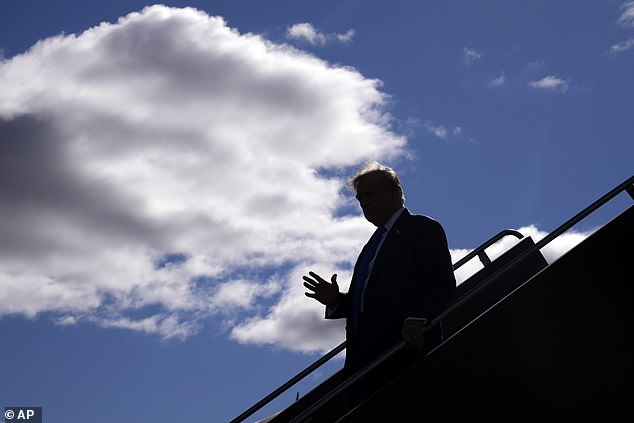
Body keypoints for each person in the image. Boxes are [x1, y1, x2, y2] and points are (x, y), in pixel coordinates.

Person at [302, 161, 455, 400]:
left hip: (403, 355)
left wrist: (416, 318)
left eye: (369, 195)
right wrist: (336, 300)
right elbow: (368, 302)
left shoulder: (422, 228)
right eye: (359, 197)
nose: (364, 202)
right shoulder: (373, 244)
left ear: (395, 193)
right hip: (365, 363)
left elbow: (439, 281)